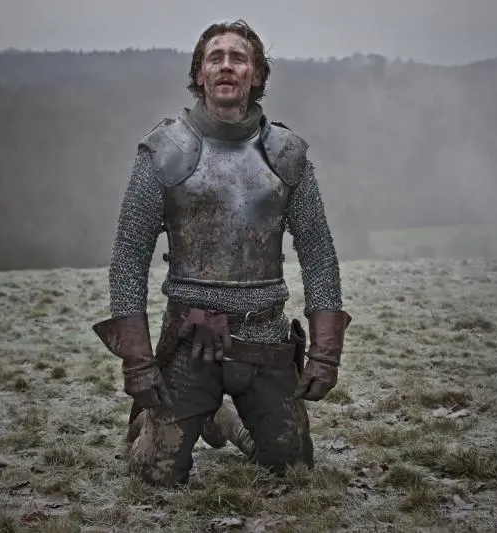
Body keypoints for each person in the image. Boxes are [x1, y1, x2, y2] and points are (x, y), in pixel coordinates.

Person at [92, 19, 352, 488]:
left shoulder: (286, 153)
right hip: (191, 339)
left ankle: (224, 420)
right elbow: (130, 255)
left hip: (266, 338)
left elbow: (317, 250)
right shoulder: (164, 150)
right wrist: (138, 362)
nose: (226, 66)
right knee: (154, 477)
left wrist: (325, 353)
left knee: (291, 468)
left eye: (238, 58)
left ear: (257, 74)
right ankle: (167, 423)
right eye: (215, 58)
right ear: (200, 74)